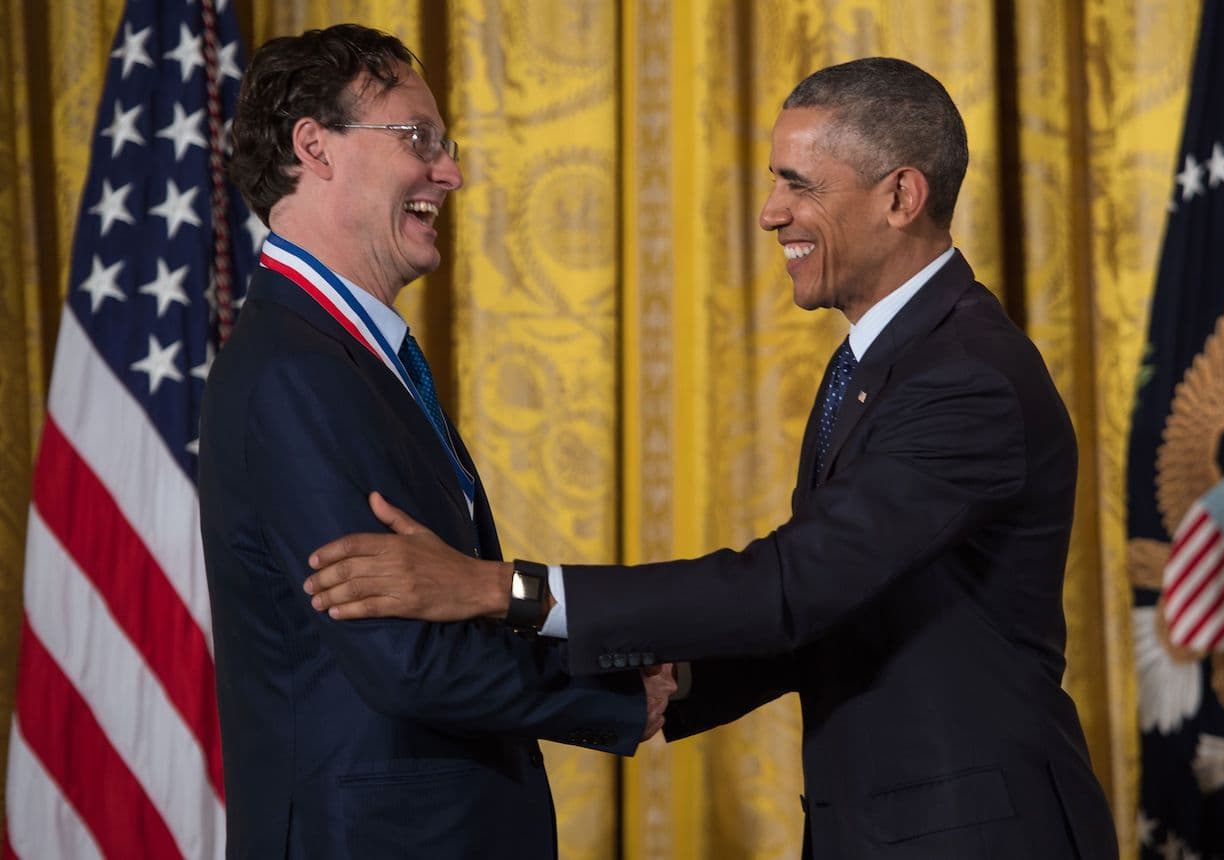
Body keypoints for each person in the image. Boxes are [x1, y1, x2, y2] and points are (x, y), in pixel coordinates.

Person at [303, 58, 1120, 859]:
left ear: (901, 197)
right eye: (775, 181)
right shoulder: (887, 364)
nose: (770, 212)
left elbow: (790, 588)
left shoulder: (963, 380)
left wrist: (495, 588)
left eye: (801, 184)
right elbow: (844, 606)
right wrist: (657, 686)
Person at [198, 24, 673, 860]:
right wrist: (621, 693)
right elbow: (407, 657)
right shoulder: (295, 371)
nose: (449, 172)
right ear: (316, 148)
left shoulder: (347, 356)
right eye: (419, 138)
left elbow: (442, 605)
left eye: (444, 144)